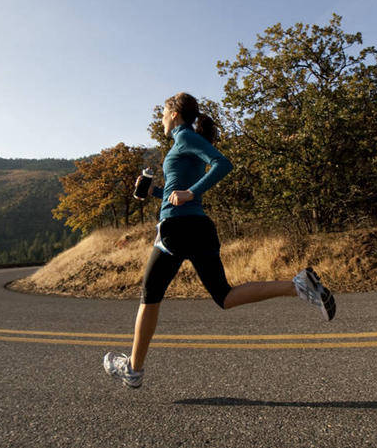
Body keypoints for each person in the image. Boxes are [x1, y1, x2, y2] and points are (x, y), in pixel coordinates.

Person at [103, 92, 335, 389]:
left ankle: (133, 370)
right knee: (224, 296)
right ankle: (299, 285)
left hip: (177, 228)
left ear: (175, 114)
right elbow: (179, 189)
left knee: (149, 296)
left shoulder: (184, 137)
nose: (161, 119)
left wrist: (190, 193)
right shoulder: (185, 143)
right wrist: (154, 192)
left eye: (163, 113)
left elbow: (223, 164)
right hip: (198, 227)